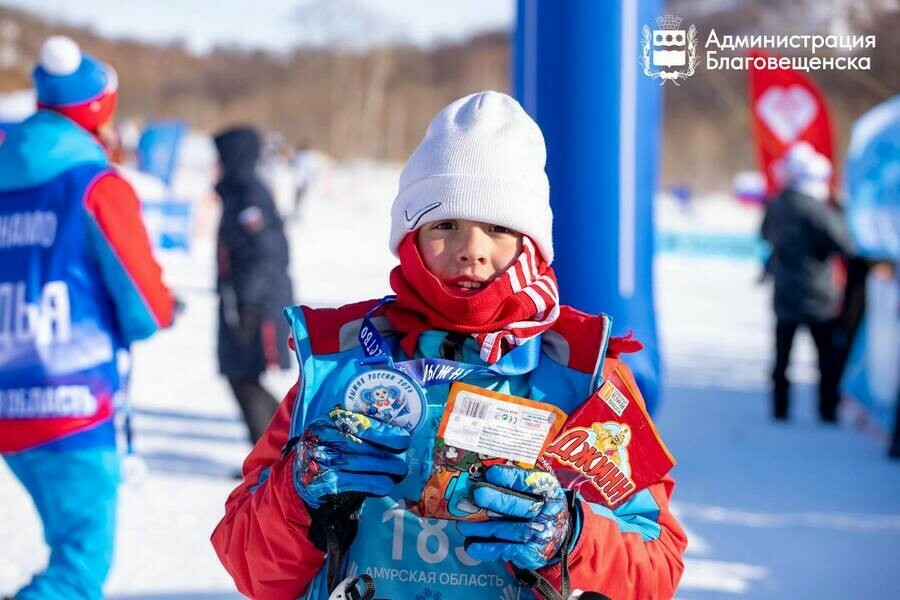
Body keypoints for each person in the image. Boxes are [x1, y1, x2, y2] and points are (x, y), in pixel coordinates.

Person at [211, 91, 686, 599]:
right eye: (445, 225)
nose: (471, 251)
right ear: (410, 236)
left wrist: (570, 537)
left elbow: (655, 569)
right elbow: (250, 566)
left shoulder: (584, 374)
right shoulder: (338, 364)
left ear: (532, 243)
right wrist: (296, 492)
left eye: (499, 228)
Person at [0, 36, 174, 599]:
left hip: (7, 396)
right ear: (100, 110)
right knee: (78, 567)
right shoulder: (96, 184)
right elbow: (147, 308)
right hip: (70, 404)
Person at [761, 142, 855, 423]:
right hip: (818, 294)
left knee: (782, 357)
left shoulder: (777, 204)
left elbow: (765, 234)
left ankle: (780, 408)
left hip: (785, 289)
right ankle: (827, 409)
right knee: (826, 357)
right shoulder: (817, 208)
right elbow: (845, 243)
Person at [213, 126, 295, 445]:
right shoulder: (237, 192)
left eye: (220, 157)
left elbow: (264, 253)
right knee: (239, 374)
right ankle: (272, 451)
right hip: (241, 300)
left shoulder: (248, 194)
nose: (216, 164)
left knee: (244, 375)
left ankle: (279, 450)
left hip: (256, 303)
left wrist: (247, 304)